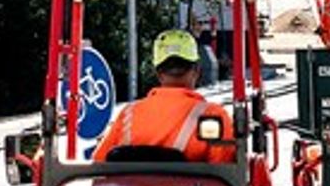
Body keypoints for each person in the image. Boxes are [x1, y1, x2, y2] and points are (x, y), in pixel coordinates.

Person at [96, 30, 237, 164]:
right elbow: (224, 170)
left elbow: (99, 164)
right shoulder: (213, 116)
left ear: (158, 73)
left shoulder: (128, 114)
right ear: (196, 71)